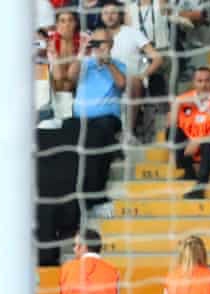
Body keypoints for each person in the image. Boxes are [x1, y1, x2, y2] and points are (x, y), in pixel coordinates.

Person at [63, 28, 126, 218]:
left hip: (106, 120)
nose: (98, 47)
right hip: (79, 120)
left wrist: (108, 63)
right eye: (95, 42)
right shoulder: (85, 64)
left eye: (102, 42)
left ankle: (97, 197)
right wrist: (82, 51)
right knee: (67, 132)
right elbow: (70, 78)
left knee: (98, 140)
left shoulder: (119, 64)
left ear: (111, 45)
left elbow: (122, 84)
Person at [99, 0, 162, 140]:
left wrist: (143, 75)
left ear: (120, 15)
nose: (109, 16)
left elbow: (157, 58)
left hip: (131, 80)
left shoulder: (132, 33)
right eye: (106, 13)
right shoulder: (98, 35)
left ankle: (129, 132)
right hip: (106, 81)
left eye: (113, 13)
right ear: (101, 16)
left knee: (133, 81)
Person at [169, 66, 210, 200]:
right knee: (172, 132)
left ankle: (200, 187)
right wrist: (177, 103)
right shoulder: (184, 99)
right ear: (194, 83)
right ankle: (189, 171)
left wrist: (198, 141)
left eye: (207, 81)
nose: (203, 85)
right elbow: (171, 127)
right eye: (200, 81)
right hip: (191, 150)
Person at [47, 10, 84, 94]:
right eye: (62, 21)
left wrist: (81, 51)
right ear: (57, 24)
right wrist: (55, 55)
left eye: (70, 20)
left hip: (77, 85)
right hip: (56, 86)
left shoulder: (83, 39)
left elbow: (72, 76)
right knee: (61, 82)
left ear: (75, 23)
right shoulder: (49, 40)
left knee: (68, 84)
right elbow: (58, 76)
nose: (67, 24)